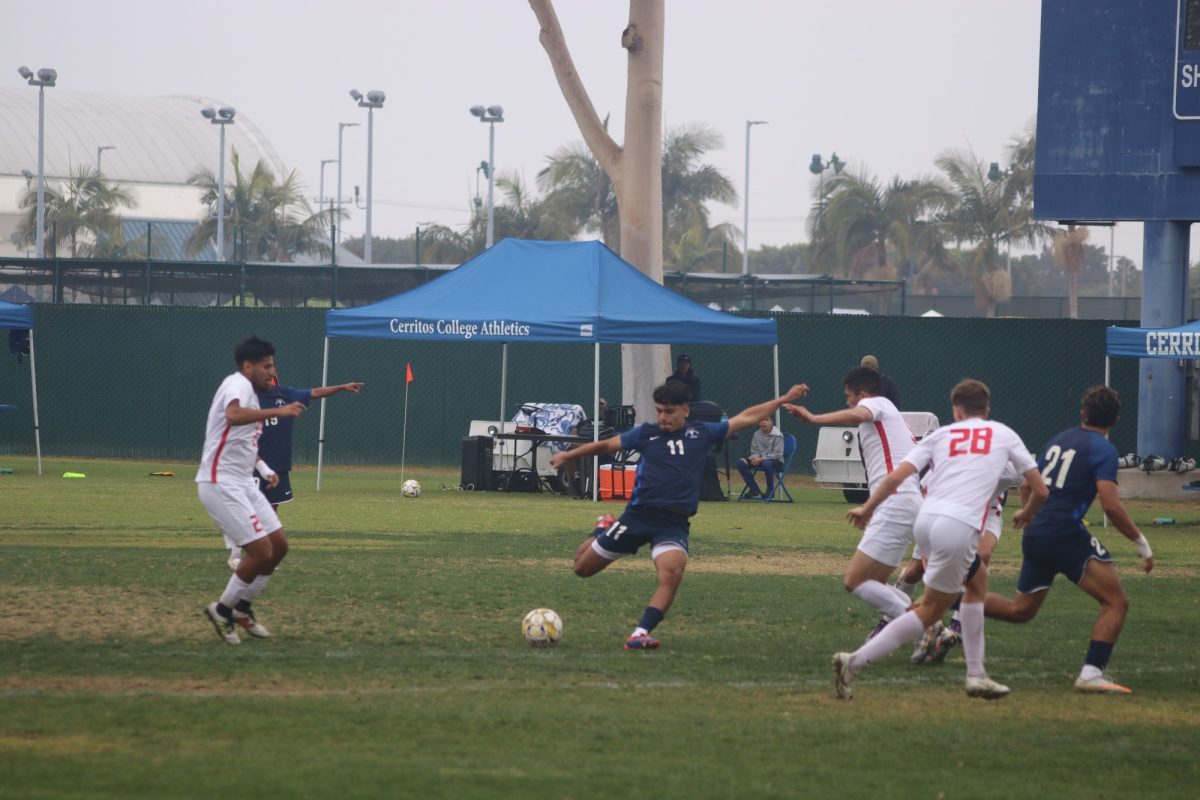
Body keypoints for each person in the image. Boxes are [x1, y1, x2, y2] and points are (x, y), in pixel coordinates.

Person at [550, 380, 809, 651]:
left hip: (673, 524)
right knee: (582, 568)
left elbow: (746, 417)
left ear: (685, 410)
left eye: (669, 411)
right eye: (659, 410)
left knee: (672, 573)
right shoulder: (646, 434)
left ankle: (640, 633)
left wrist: (783, 399)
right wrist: (569, 455)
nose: (662, 417)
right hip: (637, 517)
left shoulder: (702, 434)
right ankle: (602, 528)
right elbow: (605, 446)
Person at [833, 379, 1048, 700]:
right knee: (929, 612)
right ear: (986, 409)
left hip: (926, 520)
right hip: (957, 525)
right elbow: (1041, 489)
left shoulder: (942, 434)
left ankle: (977, 675)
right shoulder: (1003, 433)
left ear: (956, 410)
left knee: (976, 585)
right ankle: (854, 662)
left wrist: (867, 507)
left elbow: (896, 476)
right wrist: (1027, 512)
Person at [984, 386, 1154, 694]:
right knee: (1116, 601)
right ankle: (1090, 674)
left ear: (1083, 414)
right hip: (1064, 532)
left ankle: (951, 600)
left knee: (1020, 611)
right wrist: (1142, 543)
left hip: (1038, 534)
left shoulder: (1058, 440)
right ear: (1115, 420)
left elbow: (1026, 486)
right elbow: (1111, 506)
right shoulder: (1103, 450)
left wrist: (1028, 514)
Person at [785, 367, 921, 632]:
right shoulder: (891, 415)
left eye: (848, 396)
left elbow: (859, 412)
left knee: (855, 581)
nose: (847, 401)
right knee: (876, 585)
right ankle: (926, 628)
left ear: (861, 394)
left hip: (896, 501)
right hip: (901, 502)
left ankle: (927, 626)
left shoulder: (875, 403)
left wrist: (814, 419)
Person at [198, 336, 305, 644]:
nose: (272, 372)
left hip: (243, 481)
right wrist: (279, 413)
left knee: (279, 547)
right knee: (260, 551)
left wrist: (265, 470)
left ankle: (241, 609)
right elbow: (233, 416)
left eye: (273, 365)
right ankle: (222, 610)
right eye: (266, 366)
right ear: (248, 366)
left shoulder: (252, 394)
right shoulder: (237, 385)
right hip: (219, 482)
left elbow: (242, 442)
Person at [227, 375, 364, 569]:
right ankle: (235, 554)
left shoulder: (286, 394)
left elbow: (315, 392)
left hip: (279, 465)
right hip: (253, 464)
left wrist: (343, 386)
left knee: (270, 513)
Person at [736, 415, 785, 497]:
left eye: (766, 420)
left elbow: (777, 454)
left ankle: (770, 491)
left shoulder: (778, 435)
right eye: (761, 420)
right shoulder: (756, 434)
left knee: (767, 463)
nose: (763, 422)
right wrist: (754, 458)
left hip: (776, 461)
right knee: (740, 462)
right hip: (759, 460)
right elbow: (754, 451)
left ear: (771, 422)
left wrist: (761, 459)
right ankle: (754, 489)